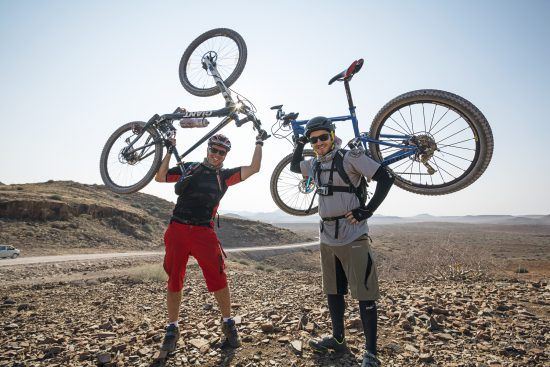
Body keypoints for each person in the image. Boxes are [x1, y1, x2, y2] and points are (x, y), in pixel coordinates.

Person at [290, 117, 394, 367]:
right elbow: (294, 167)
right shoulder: (315, 163)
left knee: (365, 295)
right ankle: (338, 339)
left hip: (353, 235)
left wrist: (367, 210)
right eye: (313, 139)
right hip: (327, 236)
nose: (319, 143)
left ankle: (371, 353)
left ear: (332, 135)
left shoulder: (350, 157)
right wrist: (299, 143)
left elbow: (387, 177)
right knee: (334, 291)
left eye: (323, 137)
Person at [155, 132, 264, 352]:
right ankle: (172, 328)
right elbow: (160, 176)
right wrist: (168, 150)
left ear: (226, 155)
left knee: (218, 277)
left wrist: (259, 142)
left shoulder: (224, 176)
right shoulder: (190, 167)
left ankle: (228, 323)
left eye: (221, 152)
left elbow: (254, 168)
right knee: (174, 279)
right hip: (178, 228)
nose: (216, 155)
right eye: (213, 150)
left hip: (204, 232)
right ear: (208, 149)